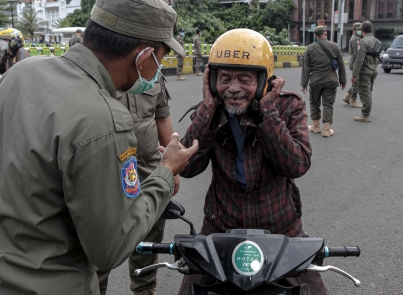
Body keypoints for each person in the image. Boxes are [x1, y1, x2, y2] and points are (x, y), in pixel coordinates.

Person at [0, 0, 199, 295]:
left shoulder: (23, 73)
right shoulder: (103, 119)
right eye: (162, 58)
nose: (159, 69)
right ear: (144, 56)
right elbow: (110, 248)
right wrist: (166, 173)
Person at [178, 28, 327, 294]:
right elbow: (187, 167)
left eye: (245, 79)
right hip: (219, 229)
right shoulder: (210, 111)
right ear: (211, 81)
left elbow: (297, 164)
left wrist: (267, 113)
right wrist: (208, 111)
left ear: (263, 81)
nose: (233, 88)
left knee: (313, 289)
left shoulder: (288, 106)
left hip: (281, 229)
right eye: (224, 78)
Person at [97, 76, 176, 295]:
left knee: (149, 237)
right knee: (102, 242)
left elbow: (162, 117)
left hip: (149, 169)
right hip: (109, 170)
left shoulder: (153, 73)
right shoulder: (104, 69)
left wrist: (171, 168)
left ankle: (144, 290)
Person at [301, 25, 346, 137]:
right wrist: (342, 80)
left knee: (314, 103)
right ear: (325, 34)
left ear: (315, 36)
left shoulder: (310, 48)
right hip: (330, 81)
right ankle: (327, 129)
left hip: (315, 82)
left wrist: (304, 84)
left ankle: (316, 127)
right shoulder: (334, 46)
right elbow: (341, 65)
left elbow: (306, 68)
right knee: (328, 104)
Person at [352, 21, 379, 122]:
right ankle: (366, 112)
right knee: (368, 91)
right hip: (373, 70)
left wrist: (354, 74)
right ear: (371, 29)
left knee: (365, 93)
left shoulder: (363, 42)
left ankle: (365, 115)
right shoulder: (376, 41)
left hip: (365, 71)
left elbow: (359, 59)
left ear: (362, 30)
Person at [342, 22, 363, 108]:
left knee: (356, 81)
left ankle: (347, 97)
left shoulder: (358, 38)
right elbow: (357, 53)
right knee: (356, 82)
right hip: (355, 63)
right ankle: (353, 100)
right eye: (358, 30)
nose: (360, 31)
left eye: (361, 30)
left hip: (355, 62)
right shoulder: (355, 39)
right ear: (354, 30)